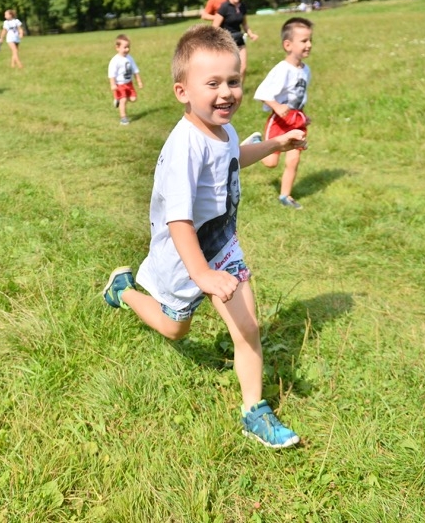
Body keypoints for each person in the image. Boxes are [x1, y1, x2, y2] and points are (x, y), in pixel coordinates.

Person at [101, 25, 308, 449]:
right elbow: (178, 220)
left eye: (233, 81)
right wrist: (201, 274)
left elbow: (233, 158)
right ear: (183, 92)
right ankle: (123, 291)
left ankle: (254, 410)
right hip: (184, 257)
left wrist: (275, 144)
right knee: (175, 330)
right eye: (212, 83)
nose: (226, 92)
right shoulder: (184, 149)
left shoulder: (224, 129)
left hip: (222, 247)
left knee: (247, 329)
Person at [243, 17, 315, 210]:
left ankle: (285, 195)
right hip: (279, 122)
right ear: (288, 44)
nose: (309, 45)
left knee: (294, 159)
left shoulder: (306, 70)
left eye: (310, 40)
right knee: (270, 163)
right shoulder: (282, 70)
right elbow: (262, 92)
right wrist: (276, 106)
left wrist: (302, 115)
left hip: (296, 121)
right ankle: (256, 145)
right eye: (304, 41)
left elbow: (299, 96)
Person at [212, 0, 258, 84]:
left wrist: (251, 34)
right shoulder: (224, 7)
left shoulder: (242, 6)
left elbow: (244, 24)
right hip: (226, 42)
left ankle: (239, 91)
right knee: (227, 70)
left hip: (239, 40)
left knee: (243, 68)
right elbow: (215, 27)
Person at [107, 34, 144, 125]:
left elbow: (135, 70)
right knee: (123, 100)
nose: (127, 49)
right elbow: (112, 74)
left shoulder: (130, 58)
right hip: (120, 84)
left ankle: (118, 99)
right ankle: (123, 118)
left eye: (128, 47)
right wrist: (112, 84)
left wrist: (139, 81)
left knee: (133, 98)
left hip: (129, 83)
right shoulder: (115, 60)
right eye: (125, 47)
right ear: (117, 48)